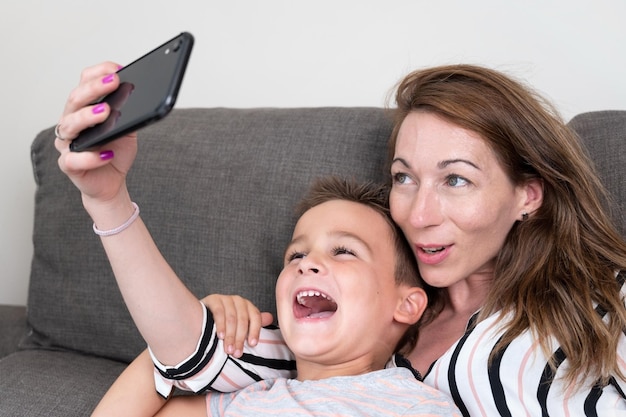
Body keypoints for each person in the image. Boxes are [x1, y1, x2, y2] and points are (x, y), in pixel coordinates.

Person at [57, 62, 626, 416]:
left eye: (456, 179)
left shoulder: (598, 303)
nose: (420, 213)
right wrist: (107, 199)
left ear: (528, 195)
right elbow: (183, 355)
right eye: (404, 177)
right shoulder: (359, 326)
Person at [54, 86, 461, 416]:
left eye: (344, 251)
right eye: (295, 256)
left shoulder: (413, 405)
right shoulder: (246, 400)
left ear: (407, 304)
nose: (309, 264)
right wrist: (169, 351)